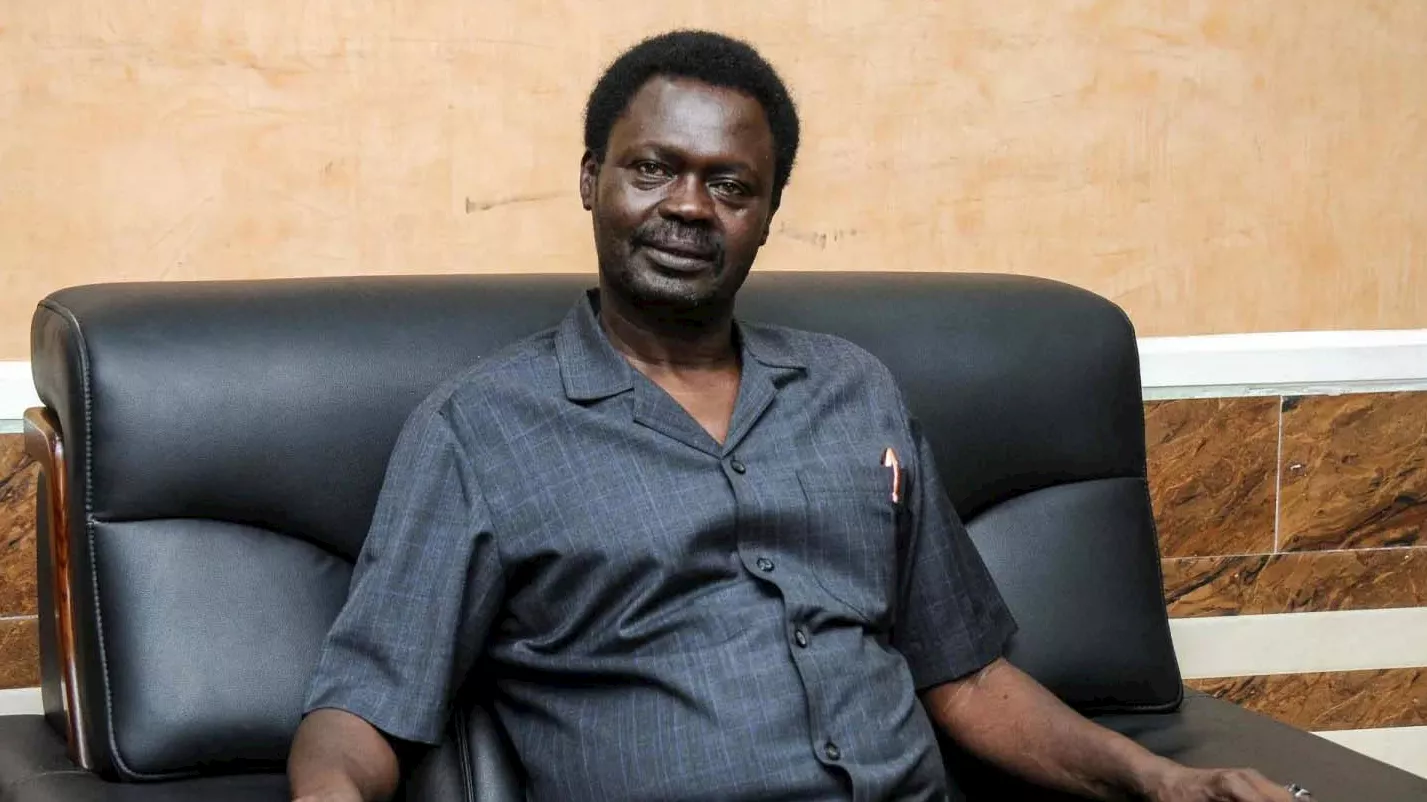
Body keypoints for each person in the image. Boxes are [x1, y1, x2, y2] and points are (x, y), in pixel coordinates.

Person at [289, 30, 1303, 802]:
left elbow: (965, 675)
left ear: (767, 214)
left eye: (729, 184)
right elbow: (360, 711)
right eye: (652, 168)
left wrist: (1158, 779)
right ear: (592, 181)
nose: (689, 205)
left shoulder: (855, 389)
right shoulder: (479, 428)